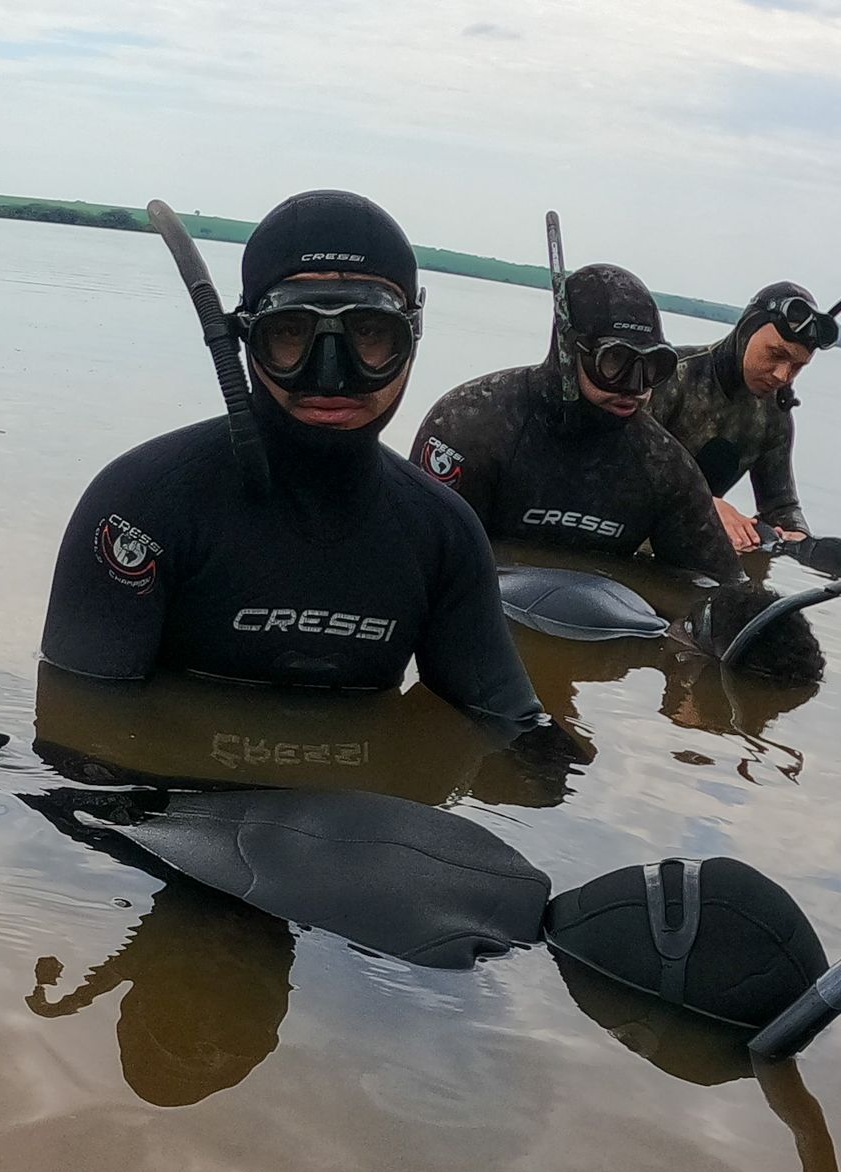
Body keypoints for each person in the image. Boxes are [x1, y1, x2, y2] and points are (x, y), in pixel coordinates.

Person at [41, 189, 574, 759]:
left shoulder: (444, 535)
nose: (330, 377)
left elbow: (512, 723)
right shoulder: (142, 507)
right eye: (291, 333)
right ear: (245, 337)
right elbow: (78, 741)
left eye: (369, 334)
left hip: (350, 817)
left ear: (413, 336)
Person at [410, 263, 741, 581]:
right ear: (568, 353)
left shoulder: (663, 465)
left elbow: (720, 585)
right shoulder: (471, 427)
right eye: (615, 361)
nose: (635, 387)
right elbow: (415, 561)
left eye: (653, 365)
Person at [649, 281, 832, 552]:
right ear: (746, 330)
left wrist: (798, 538)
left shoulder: (774, 416)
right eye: (776, 354)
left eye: (797, 366)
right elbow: (620, 465)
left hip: (691, 544)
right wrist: (701, 502)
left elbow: (780, 505)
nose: (782, 375)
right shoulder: (672, 375)